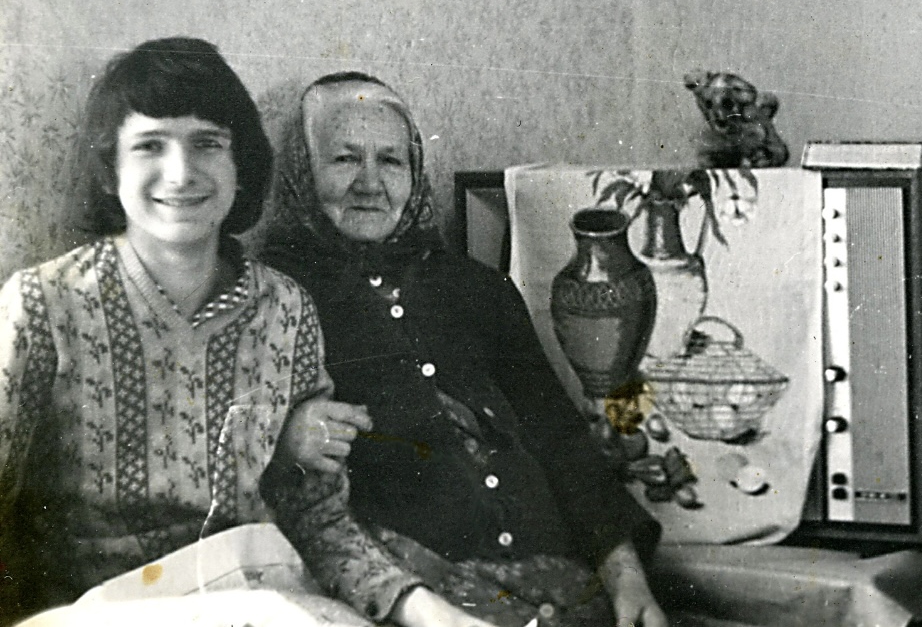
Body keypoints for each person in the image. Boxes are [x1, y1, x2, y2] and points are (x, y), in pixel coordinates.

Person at [0, 40, 497, 627]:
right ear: (110, 170)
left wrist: (426, 610)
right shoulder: (43, 305)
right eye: (150, 145)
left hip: (259, 596)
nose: (181, 173)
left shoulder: (284, 309)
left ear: (241, 168)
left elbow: (320, 522)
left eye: (207, 144)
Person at [261, 72, 669, 627]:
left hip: (565, 589)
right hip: (416, 604)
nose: (370, 182)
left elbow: (560, 438)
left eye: (391, 160)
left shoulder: (478, 288)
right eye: (344, 159)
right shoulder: (274, 300)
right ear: (301, 172)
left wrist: (628, 580)